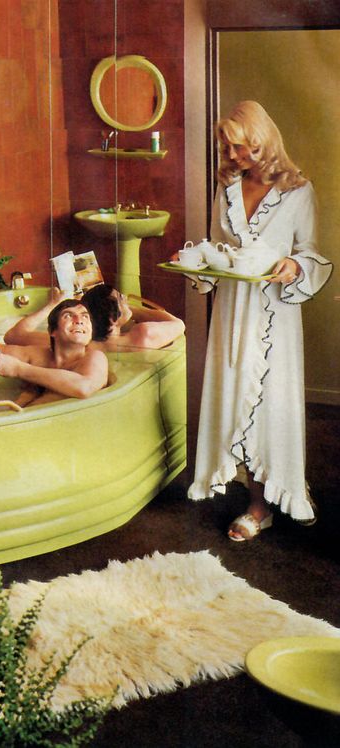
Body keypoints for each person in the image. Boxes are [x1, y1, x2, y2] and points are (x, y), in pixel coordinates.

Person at [186, 100, 332, 541]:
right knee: (235, 398)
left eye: (239, 148)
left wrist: (294, 266)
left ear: (263, 141)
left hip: (273, 314)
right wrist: (194, 262)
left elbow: (311, 253)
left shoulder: (298, 192)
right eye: (226, 149)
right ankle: (259, 495)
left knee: (270, 403)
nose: (231, 158)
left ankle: (265, 502)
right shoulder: (226, 189)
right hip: (232, 310)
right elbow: (217, 249)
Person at [0, 298, 108, 407]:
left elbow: (84, 387)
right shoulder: (39, 355)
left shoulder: (95, 357)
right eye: (68, 316)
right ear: (52, 331)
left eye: (85, 316)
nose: (79, 320)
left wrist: (19, 369)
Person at [3, 284, 185, 352]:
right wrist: (131, 312)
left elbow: (13, 335)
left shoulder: (71, 342)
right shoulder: (142, 336)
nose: (127, 300)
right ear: (114, 319)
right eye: (122, 299)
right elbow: (178, 323)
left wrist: (52, 304)